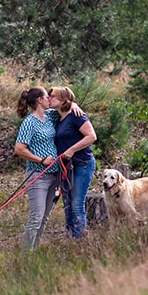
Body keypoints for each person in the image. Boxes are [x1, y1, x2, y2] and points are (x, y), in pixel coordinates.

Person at [13, 87, 84, 249]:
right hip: (37, 175)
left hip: (54, 175)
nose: (50, 99)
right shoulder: (29, 122)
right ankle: (25, 254)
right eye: (47, 96)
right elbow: (19, 149)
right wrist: (41, 160)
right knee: (36, 217)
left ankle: (34, 250)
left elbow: (67, 106)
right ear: (39, 100)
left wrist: (74, 105)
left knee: (44, 218)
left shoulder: (50, 115)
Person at [49, 86, 97, 239]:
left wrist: (71, 150)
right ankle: (70, 236)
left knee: (76, 204)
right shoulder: (57, 116)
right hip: (66, 168)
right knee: (68, 203)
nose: (49, 98)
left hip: (81, 164)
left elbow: (91, 136)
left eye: (52, 96)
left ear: (63, 99)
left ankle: (79, 240)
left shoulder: (76, 116)